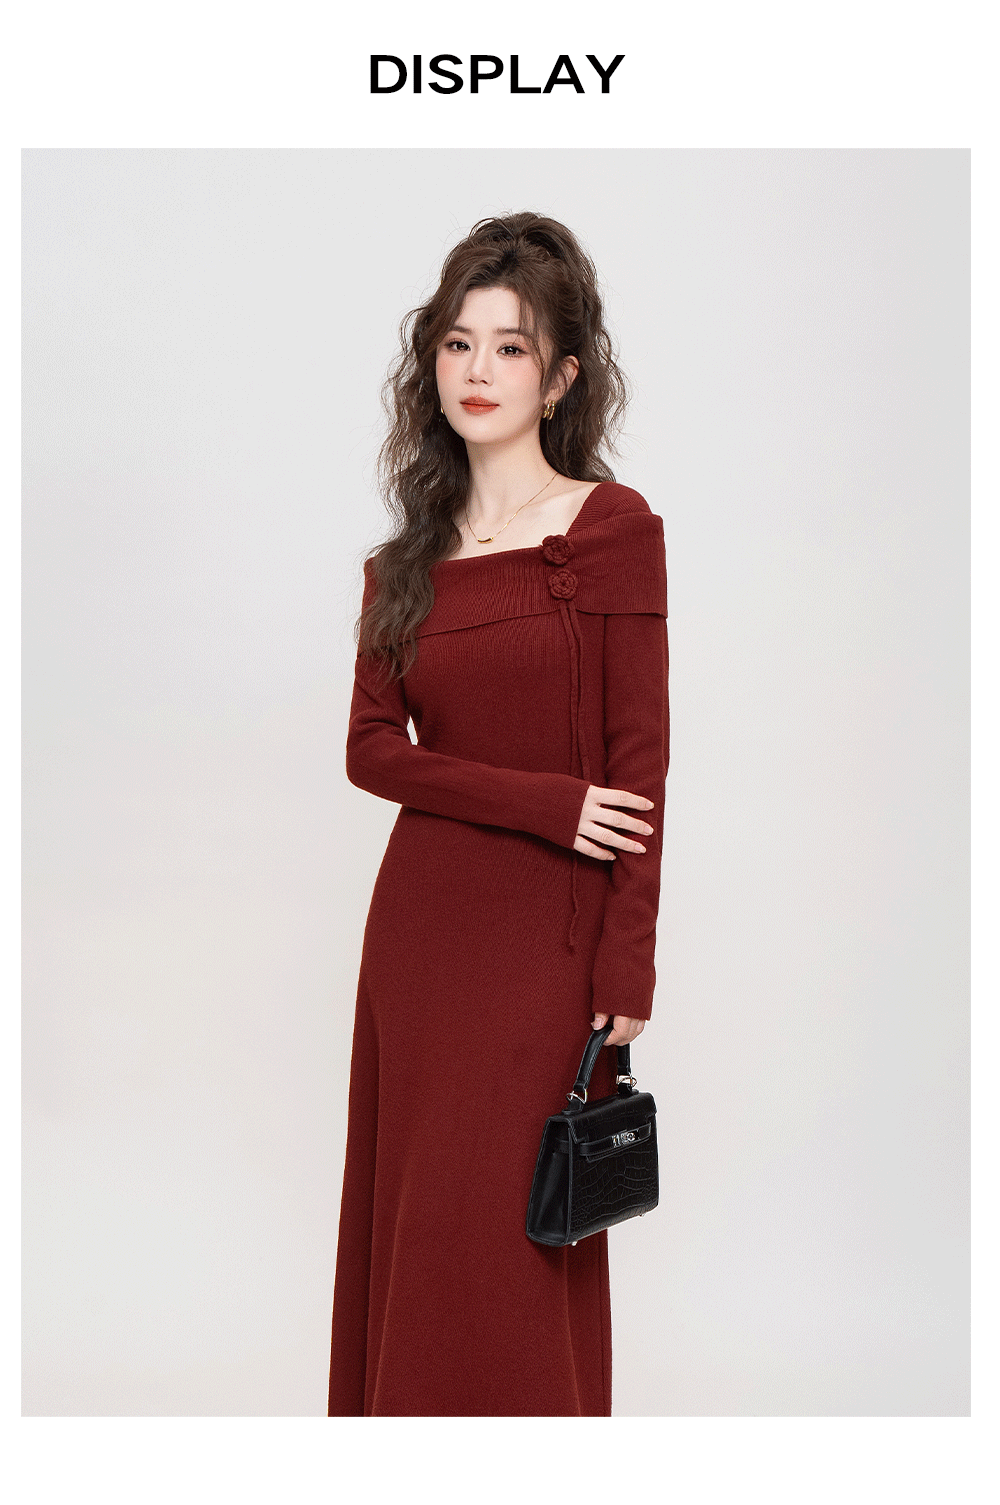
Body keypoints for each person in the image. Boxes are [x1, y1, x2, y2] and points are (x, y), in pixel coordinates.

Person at [327, 211, 669, 1417]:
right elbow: (371, 751)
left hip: (550, 946)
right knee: (426, 1223)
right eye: (458, 343)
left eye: (510, 347)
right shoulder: (400, 566)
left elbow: (643, 765)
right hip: (422, 938)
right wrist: (544, 801)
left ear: (560, 376)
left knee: (516, 1238)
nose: (478, 370)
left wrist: (628, 961)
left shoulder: (613, 529)